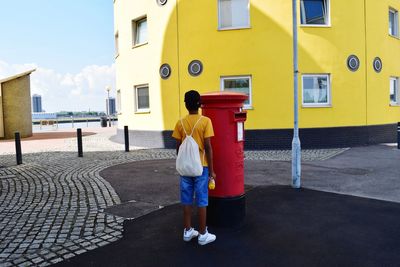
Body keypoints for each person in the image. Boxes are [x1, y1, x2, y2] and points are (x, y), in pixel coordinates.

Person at [172, 90, 217, 246]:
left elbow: (178, 148)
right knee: (202, 199)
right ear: (199, 104)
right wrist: (212, 171)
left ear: (186, 104)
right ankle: (203, 233)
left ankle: (187, 230)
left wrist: (184, 161)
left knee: (186, 199)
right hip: (201, 167)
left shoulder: (180, 123)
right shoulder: (205, 121)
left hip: (185, 168)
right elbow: (208, 148)